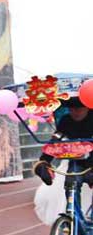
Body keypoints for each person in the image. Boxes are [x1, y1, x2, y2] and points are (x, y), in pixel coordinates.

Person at [33, 95, 93, 224]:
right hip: (76, 162)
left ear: (87, 107)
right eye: (71, 108)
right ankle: (73, 217)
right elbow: (55, 141)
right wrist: (43, 162)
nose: (75, 112)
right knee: (71, 184)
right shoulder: (66, 121)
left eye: (79, 108)